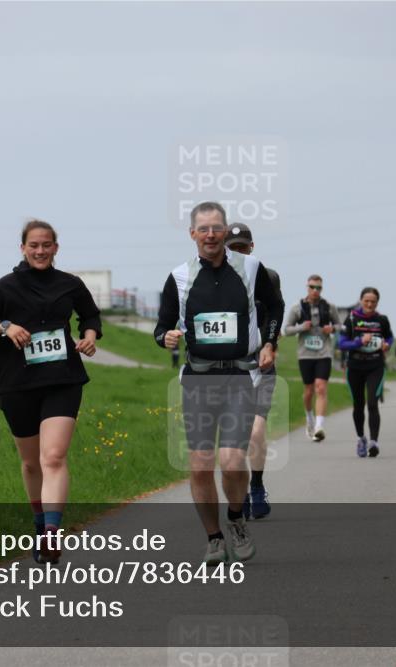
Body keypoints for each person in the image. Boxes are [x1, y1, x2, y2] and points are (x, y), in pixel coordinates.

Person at [154, 202, 282, 564]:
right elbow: (161, 326)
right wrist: (165, 337)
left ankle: (237, 520)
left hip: (239, 375)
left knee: (230, 460)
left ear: (225, 232)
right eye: (203, 228)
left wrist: (269, 343)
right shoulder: (179, 277)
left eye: (217, 228)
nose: (211, 234)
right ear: (192, 233)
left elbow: (274, 308)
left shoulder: (251, 268)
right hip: (197, 379)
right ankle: (213, 538)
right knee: (199, 463)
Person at [0, 219, 101, 565]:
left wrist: (89, 336)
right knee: (31, 464)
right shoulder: (5, 287)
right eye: (34, 246)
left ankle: (54, 533)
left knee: (53, 457)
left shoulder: (70, 284)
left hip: (62, 380)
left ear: (56, 248)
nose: (40, 251)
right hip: (17, 385)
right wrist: (4, 326)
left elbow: (90, 316)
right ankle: (40, 526)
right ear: (23, 249)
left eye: (46, 245)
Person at [224, 223, 285, 520]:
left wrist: (270, 344)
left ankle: (257, 485)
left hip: (260, 364)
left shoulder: (267, 276)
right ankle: (240, 493)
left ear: (252, 247)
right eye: (231, 248)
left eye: (242, 247)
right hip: (226, 369)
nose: (237, 253)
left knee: (256, 430)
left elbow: (276, 310)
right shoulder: (214, 281)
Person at [283, 275, 341, 442]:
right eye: (312, 287)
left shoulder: (329, 307)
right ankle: (309, 418)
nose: (315, 290)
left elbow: (340, 325)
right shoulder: (297, 308)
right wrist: (301, 327)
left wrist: (332, 328)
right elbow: (286, 330)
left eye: (318, 288)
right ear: (307, 287)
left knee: (321, 387)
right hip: (305, 354)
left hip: (324, 352)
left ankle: (319, 426)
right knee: (308, 391)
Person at [338, 288, 393, 458]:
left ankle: (374, 442)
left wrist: (387, 345)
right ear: (361, 300)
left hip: (375, 366)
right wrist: (359, 341)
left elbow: (389, 337)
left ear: (377, 303)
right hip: (354, 367)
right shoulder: (352, 319)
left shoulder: (381, 320)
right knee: (358, 405)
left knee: (372, 403)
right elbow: (341, 343)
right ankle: (361, 438)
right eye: (366, 301)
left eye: (373, 302)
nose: (369, 304)